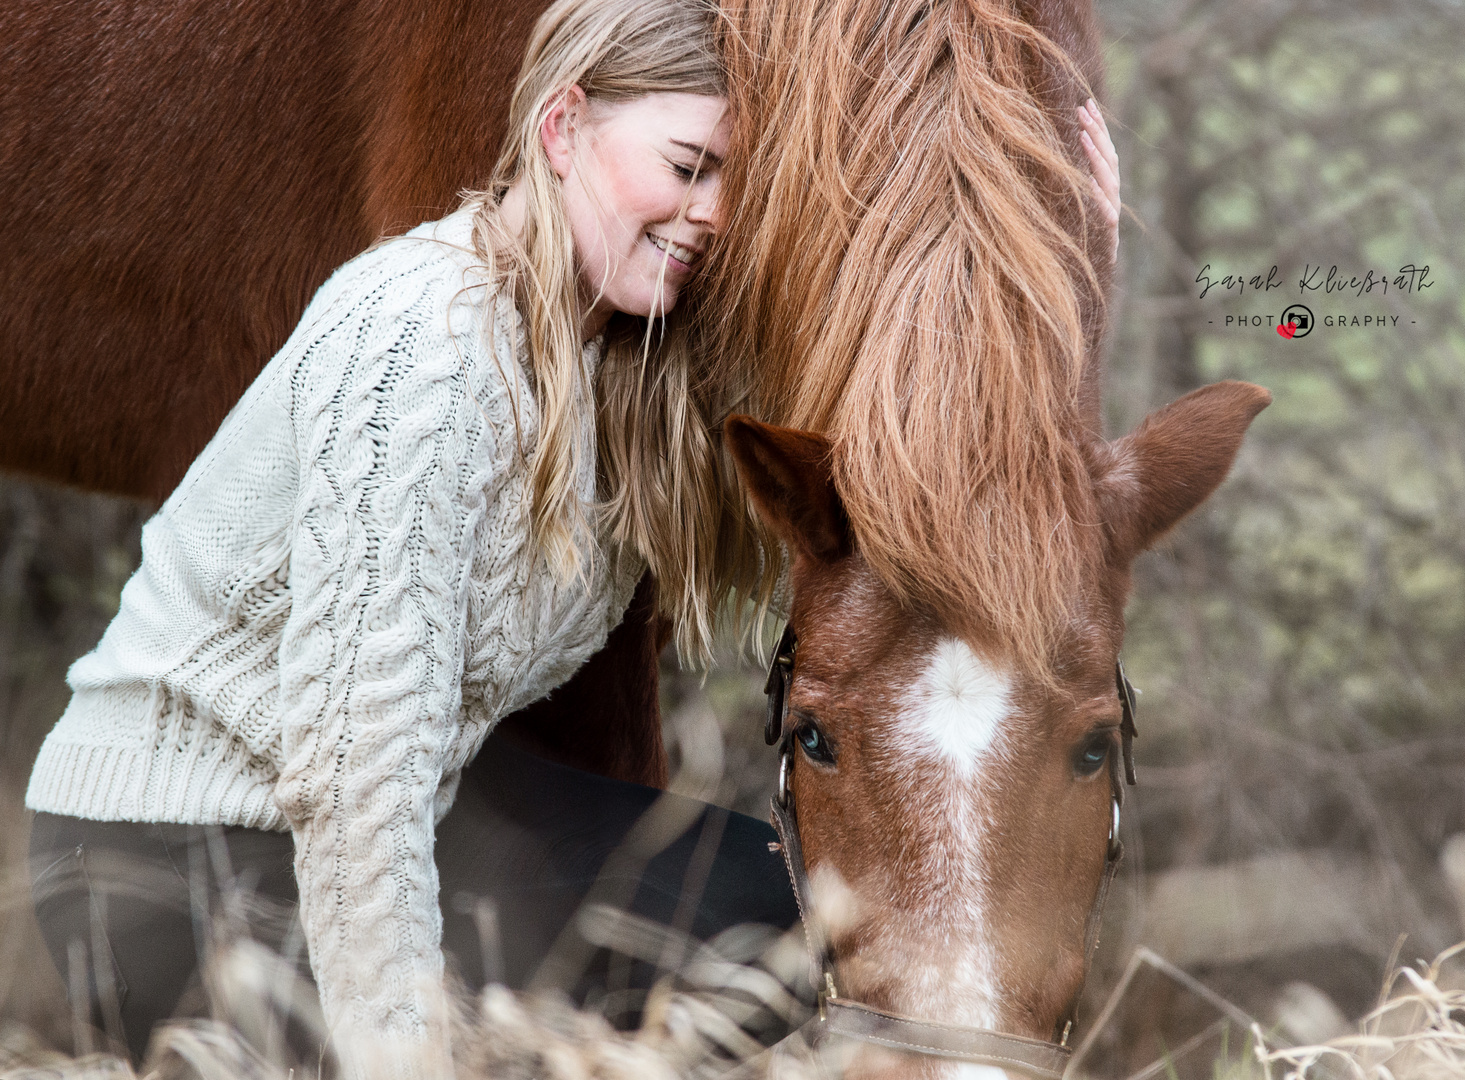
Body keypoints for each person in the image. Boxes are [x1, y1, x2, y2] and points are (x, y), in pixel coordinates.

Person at [24, 0, 1124, 1071]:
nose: (711, 213)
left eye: (736, 182)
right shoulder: (426, 347)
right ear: (561, 128)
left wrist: (1068, 266)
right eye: (688, 165)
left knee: (800, 923)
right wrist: (395, 1054)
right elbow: (356, 779)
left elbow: (850, 497)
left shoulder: (613, 367)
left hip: (405, 819)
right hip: (171, 860)